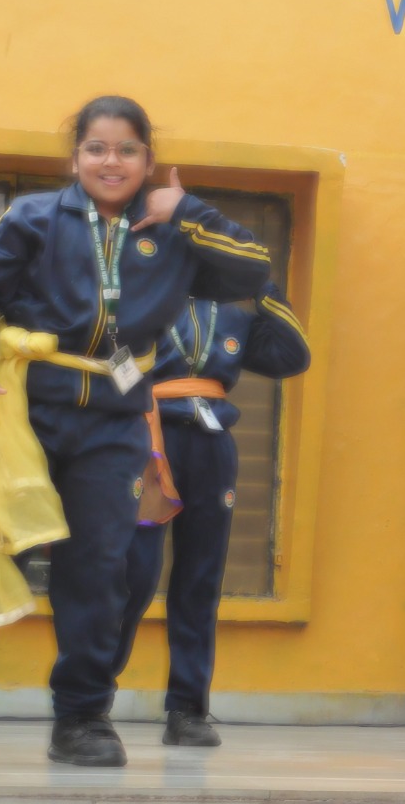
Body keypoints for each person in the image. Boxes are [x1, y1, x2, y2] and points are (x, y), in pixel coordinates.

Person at [0, 96, 270, 767]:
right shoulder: (33, 217)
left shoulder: (174, 233)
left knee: (99, 569)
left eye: (126, 149)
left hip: (116, 422)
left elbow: (253, 270)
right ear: (75, 158)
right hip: (26, 409)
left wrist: (191, 213)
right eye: (96, 148)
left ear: (148, 160)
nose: (110, 161)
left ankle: (82, 718)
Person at [110, 281, 311, 746]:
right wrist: (130, 404)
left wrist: (264, 287)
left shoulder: (234, 315)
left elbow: (291, 356)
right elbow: (108, 353)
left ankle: (188, 710)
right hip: (147, 438)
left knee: (201, 579)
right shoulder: (138, 293)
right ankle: (92, 697)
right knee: (132, 573)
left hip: (213, 444)